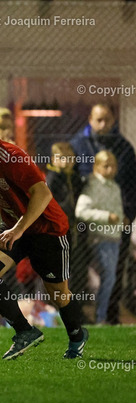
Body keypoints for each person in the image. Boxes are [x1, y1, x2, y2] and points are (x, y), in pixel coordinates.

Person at [0, 115, 88, 359]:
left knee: (58, 294)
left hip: (46, 230)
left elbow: (43, 194)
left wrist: (18, 229)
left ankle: (77, 335)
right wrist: (15, 228)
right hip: (14, 225)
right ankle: (25, 331)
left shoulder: (11, 157)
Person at [70, 103, 136, 324]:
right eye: (98, 119)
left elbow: (132, 187)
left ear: (113, 121)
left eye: (107, 119)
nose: (103, 124)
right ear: (90, 119)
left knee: (113, 272)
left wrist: (128, 215)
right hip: (85, 225)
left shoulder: (124, 149)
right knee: (79, 271)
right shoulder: (77, 146)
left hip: (116, 224)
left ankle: (110, 317)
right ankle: (78, 317)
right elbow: (72, 185)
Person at [75, 151, 124, 324]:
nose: (110, 169)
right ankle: (100, 317)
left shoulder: (114, 186)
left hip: (114, 237)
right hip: (100, 237)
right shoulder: (93, 185)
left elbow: (116, 209)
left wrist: (120, 219)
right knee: (107, 277)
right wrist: (106, 217)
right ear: (96, 166)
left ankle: (101, 315)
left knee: (109, 278)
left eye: (113, 166)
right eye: (106, 166)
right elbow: (81, 211)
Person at [45, 142, 87, 297]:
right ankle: (52, 302)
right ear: (53, 159)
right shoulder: (53, 178)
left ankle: (76, 302)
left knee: (78, 267)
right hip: (59, 230)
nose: (66, 161)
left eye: (69, 158)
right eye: (61, 158)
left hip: (75, 229)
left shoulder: (75, 178)